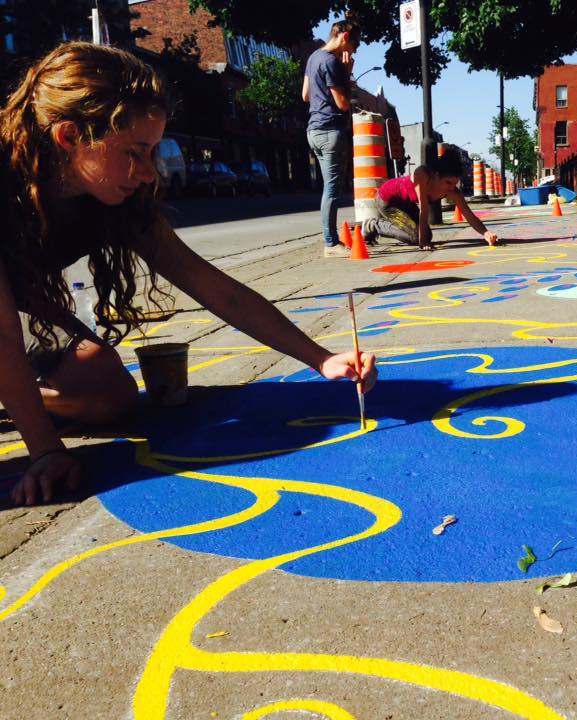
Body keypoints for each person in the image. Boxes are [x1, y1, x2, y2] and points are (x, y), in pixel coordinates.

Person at [0, 42, 377, 506]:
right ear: (70, 137)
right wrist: (43, 452)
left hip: (16, 302)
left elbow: (211, 285)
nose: (148, 172)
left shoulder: (117, 198)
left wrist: (319, 358)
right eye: (135, 152)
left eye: (154, 152)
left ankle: (12, 397)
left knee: (110, 391)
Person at [302, 17, 360, 258]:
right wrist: (347, 74)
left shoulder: (313, 58)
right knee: (333, 189)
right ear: (345, 37)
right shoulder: (332, 63)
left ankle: (331, 240)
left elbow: (305, 95)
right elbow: (343, 103)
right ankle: (331, 243)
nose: (353, 52)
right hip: (330, 130)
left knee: (330, 188)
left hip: (313, 131)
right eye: (354, 46)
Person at [363, 154, 499, 251]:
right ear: (437, 175)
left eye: (455, 183)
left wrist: (485, 233)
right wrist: (422, 243)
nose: (451, 187)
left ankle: (387, 228)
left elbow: (469, 215)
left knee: (427, 235)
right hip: (388, 200)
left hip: (407, 203)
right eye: (448, 182)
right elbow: (423, 209)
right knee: (417, 238)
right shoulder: (422, 174)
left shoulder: (452, 191)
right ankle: (374, 225)